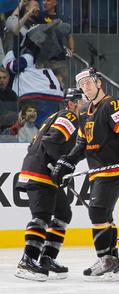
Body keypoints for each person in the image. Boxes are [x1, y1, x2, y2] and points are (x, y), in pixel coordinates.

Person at [51, 67, 119, 281]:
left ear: (98, 83)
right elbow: (81, 144)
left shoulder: (112, 104)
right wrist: (67, 162)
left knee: (97, 211)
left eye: (89, 82)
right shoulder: (85, 112)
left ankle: (105, 260)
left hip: (114, 168)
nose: (85, 87)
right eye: (82, 84)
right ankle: (112, 263)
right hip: (98, 171)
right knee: (103, 215)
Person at [14, 88, 84, 281]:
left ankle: (47, 258)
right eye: (82, 102)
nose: (85, 105)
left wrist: (60, 168)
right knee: (42, 217)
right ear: (71, 104)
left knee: (63, 213)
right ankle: (27, 261)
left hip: (45, 172)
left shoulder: (59, 115)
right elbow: (51, 141)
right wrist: (60, 164)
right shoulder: (70, 116)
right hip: (39, 173)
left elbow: (40, 143)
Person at [2, 50, 64, 127]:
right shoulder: (42, 60)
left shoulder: (28, 57)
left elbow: (11, 66)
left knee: (34, 128)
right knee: (47, 127)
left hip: (37, 94)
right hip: (54, 96)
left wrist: (12, 52)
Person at [42, 0, 74, 88]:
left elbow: (69, 34)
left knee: (61, 86)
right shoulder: (39, 16)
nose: (45, 2)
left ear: (55, 3)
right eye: (44, 0)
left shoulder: (61, 18)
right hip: (44, 59)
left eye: (48, 0)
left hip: (59, 59)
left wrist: (71, 49)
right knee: (46, 86)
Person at [0, 67, 18, 133]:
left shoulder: (12, 94)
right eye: (0, 78)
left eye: (4, 78)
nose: (2, 80)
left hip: (10, 128)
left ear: (8, 79)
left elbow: (17, 112)